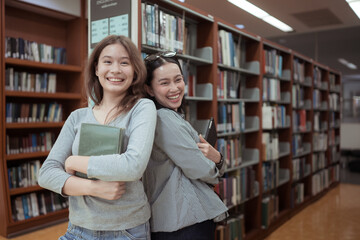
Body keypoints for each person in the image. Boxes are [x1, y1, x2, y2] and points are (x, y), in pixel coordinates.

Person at [38, 35, 157, 240]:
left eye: (125, 62)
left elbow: (133, 165)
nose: (116, 70)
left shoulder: (142, 108)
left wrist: (74, 161)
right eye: (107, 61)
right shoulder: (77, 117)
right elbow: (46, 173)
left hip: (127, 231)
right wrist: (95, 188)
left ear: (135, 70)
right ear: (96, 68)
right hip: (78, 228)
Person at [142, 51, 228, 240]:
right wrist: (218, 161)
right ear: (149, 89)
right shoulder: (164, 118)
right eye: (164, 83)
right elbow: (202, 170)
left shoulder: (165, 116)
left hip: (178, 220)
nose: (174, 88)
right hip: (185, 223)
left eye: (178, 79)